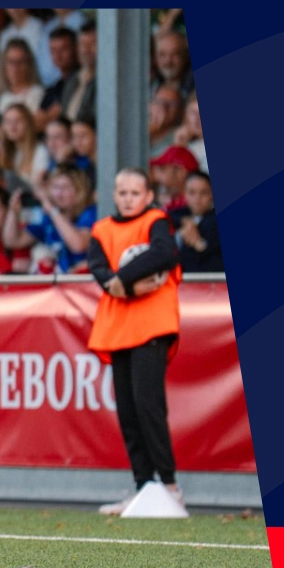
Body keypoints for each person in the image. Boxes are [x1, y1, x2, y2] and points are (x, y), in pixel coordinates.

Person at [86, 168, 184, 515]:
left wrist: (121, 281)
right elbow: (96, 267)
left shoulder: (157, 220)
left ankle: (170, 485)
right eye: (122, 192)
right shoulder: (103, 229)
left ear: (147, 196)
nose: (128, 198)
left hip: (152, 322)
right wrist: (119, 284)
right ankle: (143, 487)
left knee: (148, 404)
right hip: (118, 326)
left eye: (134, 193)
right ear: (114, 195)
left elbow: (164, 254)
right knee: (127, 410)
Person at [170, 171, 223, 272]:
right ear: (184, 194)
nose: (197, 198)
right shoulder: (179, 215)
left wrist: (198, 244)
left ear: (212, 194)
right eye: (192, 192)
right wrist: (185, 221)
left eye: (203, 193)